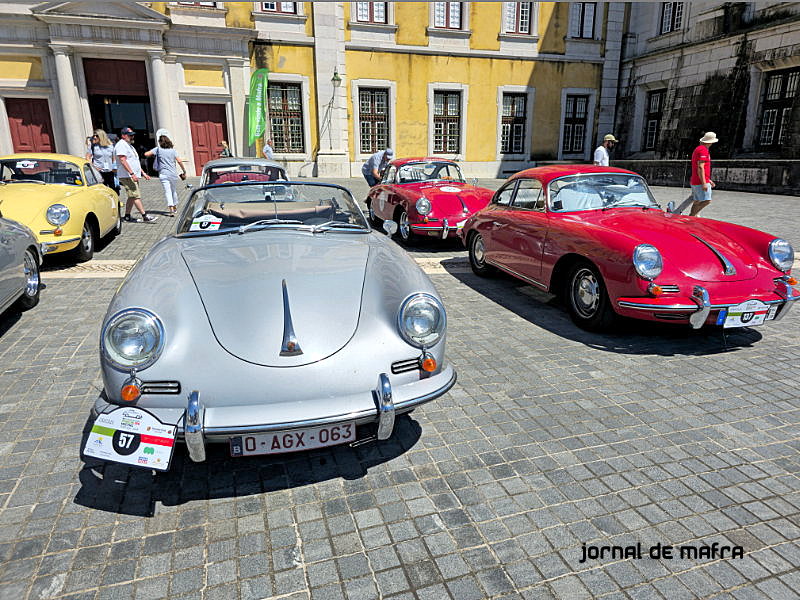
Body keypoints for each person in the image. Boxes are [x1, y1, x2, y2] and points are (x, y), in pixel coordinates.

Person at [113, 127, 157, 223]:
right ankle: (145, 216)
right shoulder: (121, 145)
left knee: (132, 196)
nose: (132, 137)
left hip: (132, 175)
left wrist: (143, 173)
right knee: (136, 195)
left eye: (133, 135)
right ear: (123, 136)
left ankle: (127, 216)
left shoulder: (129, 145)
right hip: (127, 175)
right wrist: (132, 174)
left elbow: (134, 162)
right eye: (130, 135)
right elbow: (123, 160)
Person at [671, 132, 718, 217]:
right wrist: (704, 182)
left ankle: (686, 213)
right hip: (700, 181)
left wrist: (708, 180)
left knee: (695, 199)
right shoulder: (703, 150)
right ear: (710, 142)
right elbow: (700, 167)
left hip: (696, 179)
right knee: (707, 200)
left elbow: (699, 167)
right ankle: (692, 215)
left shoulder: (698, 149)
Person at [145, 134, 187, 217]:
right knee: (173, 190)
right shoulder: (173, 151)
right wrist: (184, 171)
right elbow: (179, 161)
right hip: (172, 174)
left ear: (160, 142)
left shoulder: (158, 150)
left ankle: (171, 208)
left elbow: (146, 154)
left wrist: (156, 154)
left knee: (167, 191)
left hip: (163, 174)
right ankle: (174, 207)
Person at [86, 129, 119, 194]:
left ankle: (116, 203)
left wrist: (114, 167)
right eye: (94, 136)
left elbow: (113, 157)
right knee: (102, 191)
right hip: (99, 172)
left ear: (102, 136)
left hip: (110, 171)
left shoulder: (110, 145)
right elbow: (87, 157)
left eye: (97, 136)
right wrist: (93, 167)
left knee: (114, 190)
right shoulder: (92, 146)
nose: (95, 137)